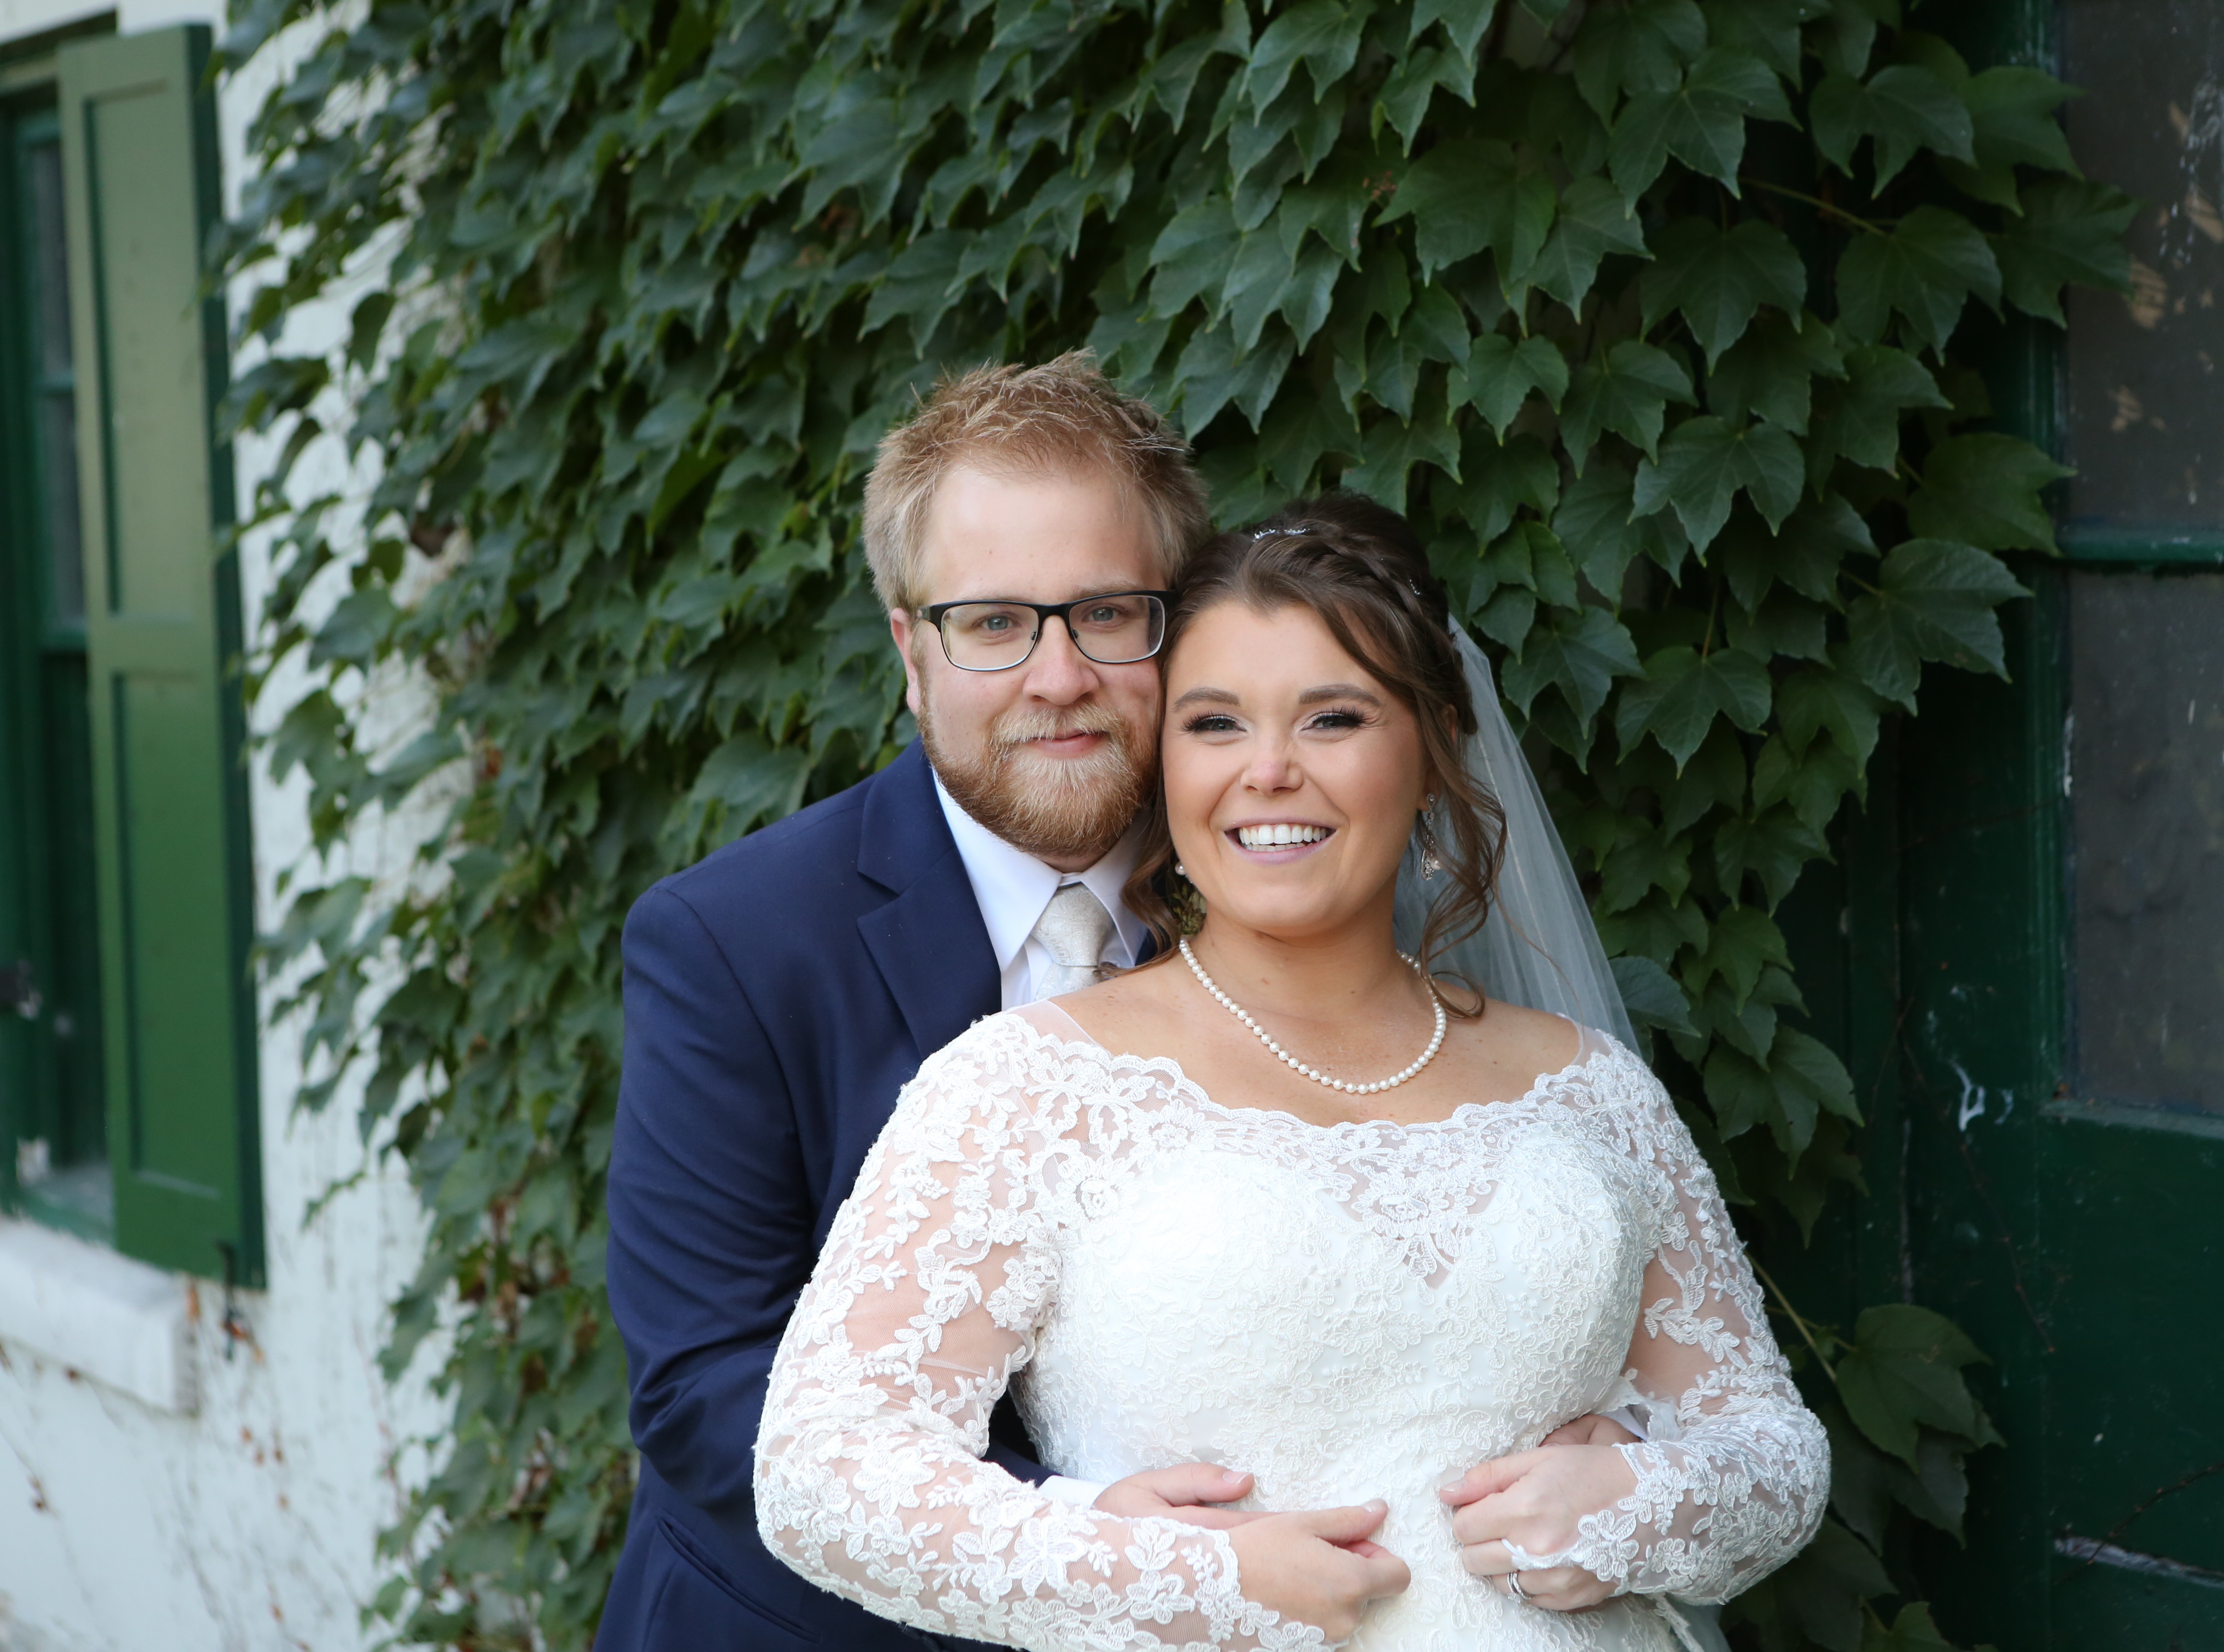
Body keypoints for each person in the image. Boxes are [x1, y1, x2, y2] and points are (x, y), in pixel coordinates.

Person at [750, 496, 1830, 1649]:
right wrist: (1171, 1575)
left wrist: (1639, 1506)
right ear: (1164, 762)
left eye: (1333, 719)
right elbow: (822, 1472)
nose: (1269, 771)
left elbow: (1773, 1450)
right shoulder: (1031, 1088)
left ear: (1434, 746)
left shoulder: (1588, 1087)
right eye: (1215, 724)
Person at [599, 355, 1300, 1652]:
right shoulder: (733, 943)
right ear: (911, 655)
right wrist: (1074, 1540)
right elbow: (704, 1387)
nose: (1058, 676)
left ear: (1179, 629)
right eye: (992, 623)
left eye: (1107, 613)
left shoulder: (1283, 890)